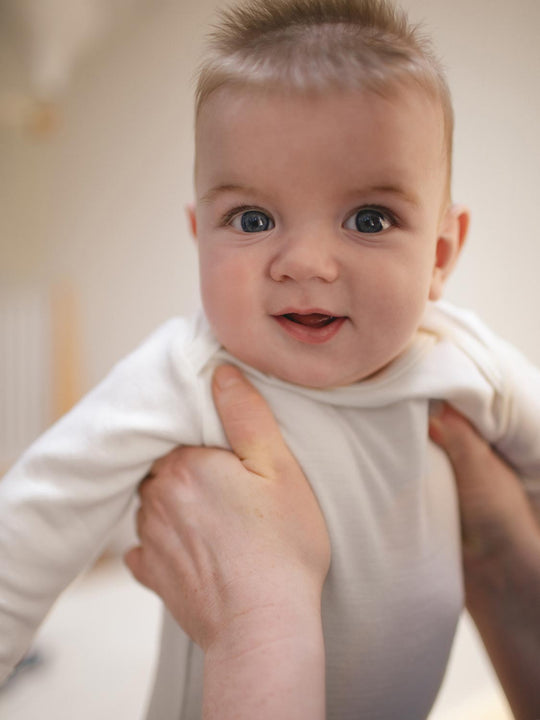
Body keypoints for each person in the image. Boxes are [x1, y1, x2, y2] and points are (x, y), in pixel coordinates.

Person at [0, 0, 539, 717]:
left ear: (440, 254)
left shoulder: (461, 357)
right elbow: (30, 528)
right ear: (200, 236)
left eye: (369, 219)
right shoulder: (185, 374)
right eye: (252, 220)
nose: (306, 263)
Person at [126, 365, 540, 720]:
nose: (306, 267)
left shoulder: (451, 360)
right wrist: (501, 558)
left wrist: (251, 622)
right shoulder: (190, 363)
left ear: (440, 268)